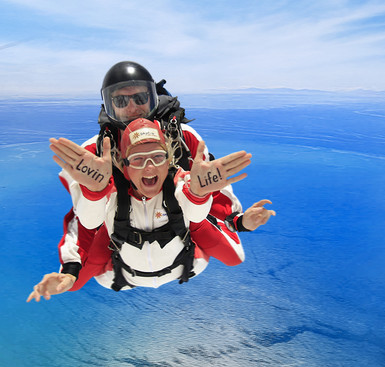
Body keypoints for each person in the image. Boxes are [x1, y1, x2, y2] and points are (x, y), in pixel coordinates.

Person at [56, 61, 275, 277]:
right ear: (109, 106)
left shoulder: (183, 138)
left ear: (152, 99)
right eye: (121, 100)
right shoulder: (92, 153)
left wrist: (238, 220)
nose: (132, 108)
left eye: (140, 98)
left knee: (231, 253)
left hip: (178, 226)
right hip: (119, 232)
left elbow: (211, 182)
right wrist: (71, 267)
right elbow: (81, 217)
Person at [28, 119, 254, 299]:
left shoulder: (181, 183)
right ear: (122, 165)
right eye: (137, 159)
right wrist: (94, 192)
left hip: (182, 265)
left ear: (169, 160)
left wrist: (200, 195)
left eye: (157, 157)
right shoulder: (113, 194)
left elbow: (196, 214)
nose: (149, 167)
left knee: (234, 255)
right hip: (122, 275)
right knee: (73, 283)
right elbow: (86, 223)